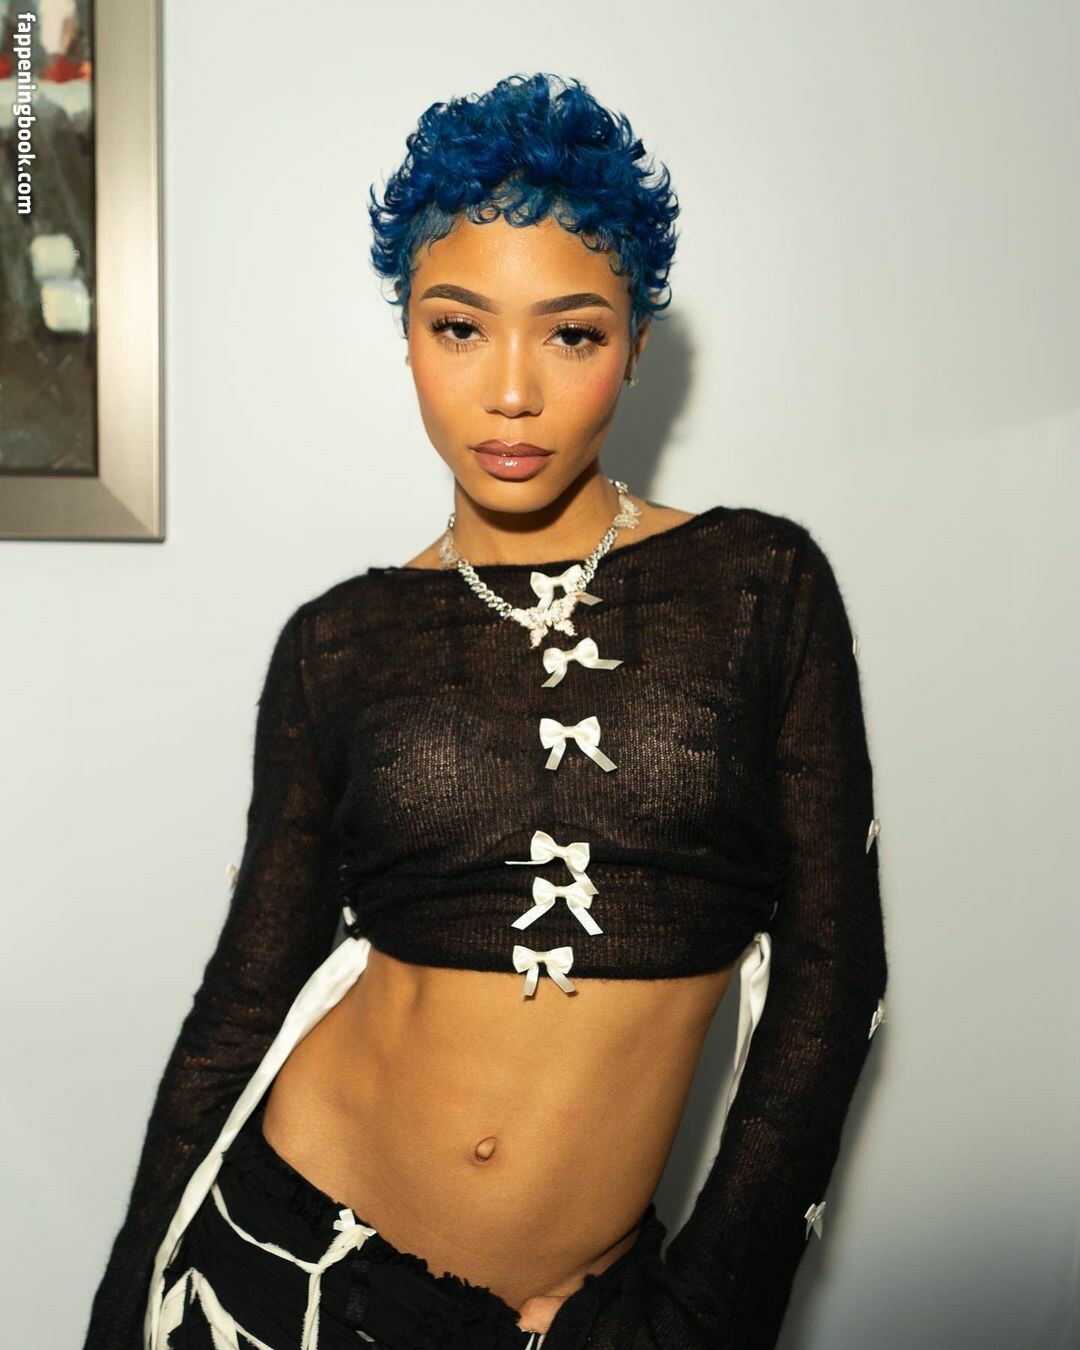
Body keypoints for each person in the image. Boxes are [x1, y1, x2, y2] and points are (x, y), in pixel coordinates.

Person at [82, 72, 889, 1350]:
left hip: (570, 1317)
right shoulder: (337, 642)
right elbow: (242, 1004)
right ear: (407, 334)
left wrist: (705, 1312)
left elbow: (834, 975)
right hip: (274, 1270)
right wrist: (122, 1305)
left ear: (635, 342)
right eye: (460, 327)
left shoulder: (758, 587)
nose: (511, 391)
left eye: (571, 334)